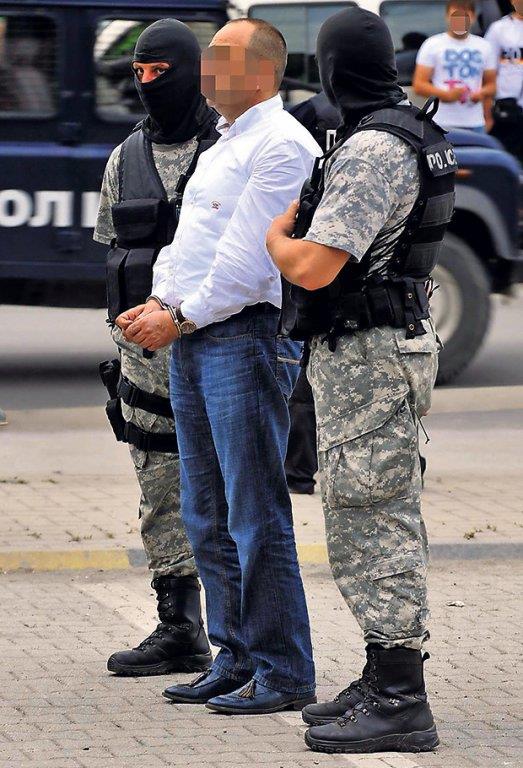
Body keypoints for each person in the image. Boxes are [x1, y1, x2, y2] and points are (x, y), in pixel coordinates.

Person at [267, 7, 457, 753]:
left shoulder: (372, 148)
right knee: (366, 512)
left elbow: (315, 265)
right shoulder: (407, 132)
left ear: (333, 68)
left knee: (372, 518)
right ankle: (383, 674)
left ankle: (401, 699)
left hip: (369, 358)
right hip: (377, 350)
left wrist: (276, 240)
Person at [117, 17, 320, 714]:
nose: (204, 69)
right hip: (199, 335)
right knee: (205, 512)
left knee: (254, 512)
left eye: (219, 58)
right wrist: (159, 300)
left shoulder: (281, 143)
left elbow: (246, 259)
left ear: (259, 71)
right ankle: (233, 656)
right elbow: (190, 242)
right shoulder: (227, 142)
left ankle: (283, 670)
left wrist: (177, 318)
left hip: (245, 336)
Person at [94, 19, 220, 678]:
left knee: (232, 496)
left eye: (159, 72)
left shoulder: (228, 147)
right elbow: (117, 254)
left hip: (219, 348)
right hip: (146, 362)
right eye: (138, 72)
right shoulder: (126, 158)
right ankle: (179, 627)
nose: (147, 84)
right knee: (161, 492)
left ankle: (247, 637)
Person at [284, 92, 341, 495]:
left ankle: (299, 471)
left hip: (313, 248)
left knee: (306, 362)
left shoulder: (310, 112)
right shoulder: (393, 117)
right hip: (365, 255)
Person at [413, 0, 497, 132]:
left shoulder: (485, 46)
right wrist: (445, 95)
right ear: (447, 17)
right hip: (439, 122)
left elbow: (491, 86)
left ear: (473, 17)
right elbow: (419, 85)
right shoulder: (431, 45)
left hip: (475, 123)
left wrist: (482, 96)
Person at [485, 0, 523, 161]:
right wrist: (487, 115)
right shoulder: (499, 29)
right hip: (509, 108)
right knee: (510, 161)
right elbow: (487, 72)